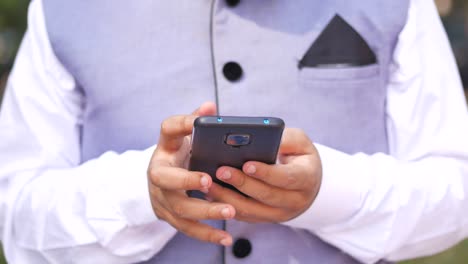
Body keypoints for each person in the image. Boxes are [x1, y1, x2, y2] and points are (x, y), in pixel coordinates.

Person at [1, 0, 468, 263]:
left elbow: (456, 187)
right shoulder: (62, 9)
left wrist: (330, 193)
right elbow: (16, 214)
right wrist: (138, 194)